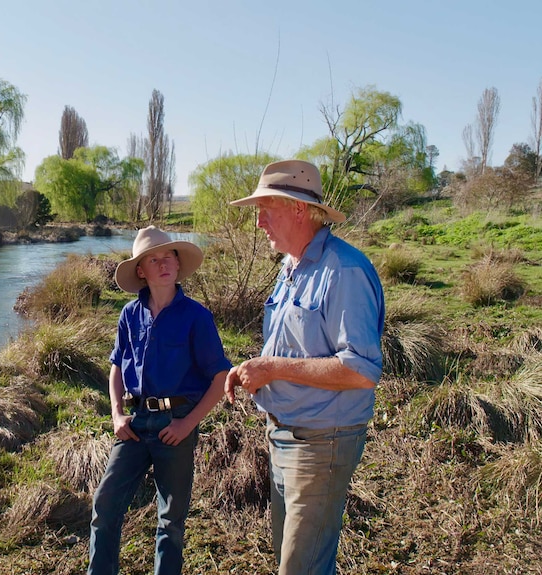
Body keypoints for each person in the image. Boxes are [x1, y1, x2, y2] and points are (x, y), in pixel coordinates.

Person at [225, 159, 385, 575]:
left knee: (301, 567)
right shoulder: (291, 268)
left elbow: (360, 370)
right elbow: (294, 344)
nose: (258, 222)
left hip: (320, 443)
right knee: (292, 557)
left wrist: (273, 368)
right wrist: (252, 369)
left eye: (266, 210)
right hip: (282, 435)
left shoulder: (344, 270)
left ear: (298, 209)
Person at [88, 226, 232, 575]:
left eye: (169, 257)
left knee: (171, 519)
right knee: (105, 505)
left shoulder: (197, 317)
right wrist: (117, 413)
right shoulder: (129, 315)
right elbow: (116, 368)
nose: (163, 264)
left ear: (178, 264)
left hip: (177, 424)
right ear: (141, 271)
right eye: (153, 259)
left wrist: (188, 423)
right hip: (136, 425)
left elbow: (220, 378)